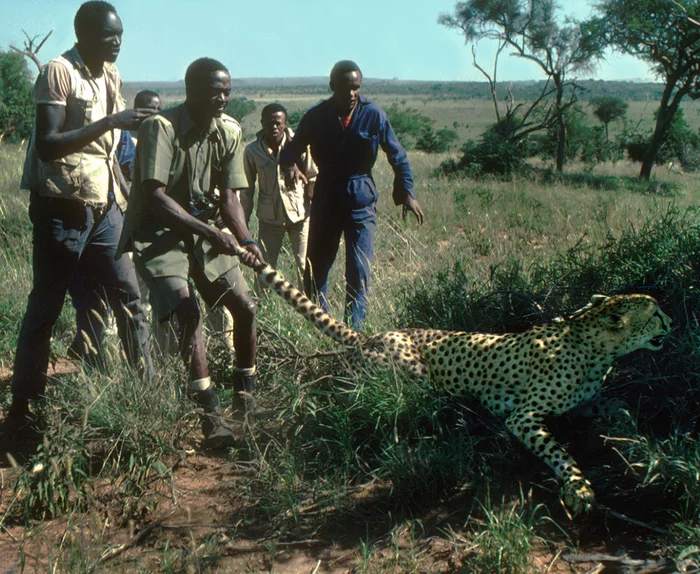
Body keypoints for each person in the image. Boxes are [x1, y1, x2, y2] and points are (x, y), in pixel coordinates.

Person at [9, 1, 156, 426]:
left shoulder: (109, 74)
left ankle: (144, 394)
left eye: (121, 36)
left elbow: (108, 151)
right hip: (62, 208)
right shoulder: (59, 71)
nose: (117, 43)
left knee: (129, 296)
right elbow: (48, 143)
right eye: (109, 36)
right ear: (85, 34)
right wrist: (112, 121)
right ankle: (23, 407)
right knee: (48, 304)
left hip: (104, 205)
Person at [118, 57, 263, 448]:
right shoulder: (159, 128)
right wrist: (210, 232)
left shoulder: (227, 132)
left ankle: (245, 403)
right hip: (160, 234)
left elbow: (231, 197)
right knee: (188, 312)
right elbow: (155, 197)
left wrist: (246, 239)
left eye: (228, 91)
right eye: (216, 91)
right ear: (192, 90)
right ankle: (210, 415)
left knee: (245, 308)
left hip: (204, 234)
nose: (224, 98)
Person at [280, 60, 424, 328]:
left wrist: (407, 191)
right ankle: (319, 327)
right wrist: (291, 166)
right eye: (345, 88)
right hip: (327, 197)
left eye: (356, 88)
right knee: (316, 269)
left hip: (361, 199)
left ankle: (354, 333)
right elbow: (290, 149)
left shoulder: (374, 114)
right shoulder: (316, 116)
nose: (351, 94)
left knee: (359, 270)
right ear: (332, 86)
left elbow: (398, 155)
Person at [69, 89, 163, 362]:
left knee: (132, 292)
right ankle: (94, 355)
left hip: (122, 219)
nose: (150, 115)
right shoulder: (112, 132)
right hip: (90, 216)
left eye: (156, 109)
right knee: (91, 295)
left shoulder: (137, 139)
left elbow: (128, 173)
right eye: (145, 109)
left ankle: (138, 369)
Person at [241, 103, 317, 286]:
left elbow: (312, 176)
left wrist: (316, 206)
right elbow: (247, 189)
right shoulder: (252, 151)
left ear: (285, 123)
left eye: (278, 123)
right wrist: (242, 224)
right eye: (269, 123)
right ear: (261, 123)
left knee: (305, 265)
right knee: (264, 267)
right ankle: (262, 308)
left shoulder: (298, 146)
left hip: (300, 215)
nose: (274, 127)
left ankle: (309, 305)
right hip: (269, 219)